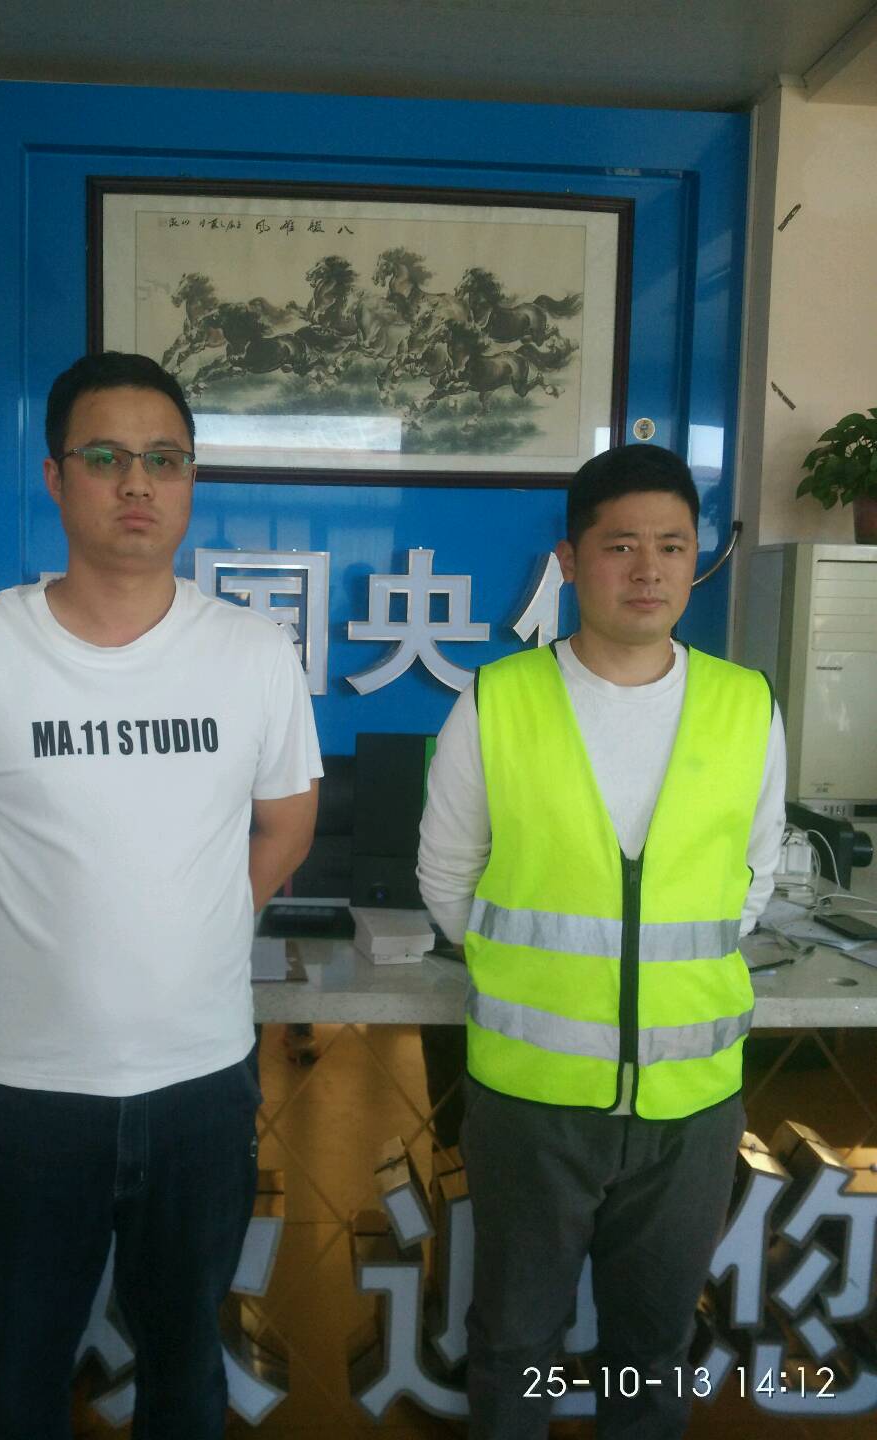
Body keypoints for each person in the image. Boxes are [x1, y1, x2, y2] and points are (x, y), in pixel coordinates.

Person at [0, 351, 322, 1440]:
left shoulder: (252, 653)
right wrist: (27, 940)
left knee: (186, 1371)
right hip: (22, 1088)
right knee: (17, 1377)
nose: (137, 482)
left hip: (200, 1083)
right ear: (56, 476)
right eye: (106, 457)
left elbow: (286, 823)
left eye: (165, 459)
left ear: (190, 480)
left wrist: (201, 926)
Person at [417, 444, 785, 1440]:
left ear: (696, 557)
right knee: (515, 1342)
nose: (649, 569)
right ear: (571, 560)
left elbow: (752, 882)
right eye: (621, 546)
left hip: (690, 1104)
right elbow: (447, 879)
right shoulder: (499, 699)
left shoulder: (745, 704)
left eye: (673, 545)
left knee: (650, 1349)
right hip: (532, 1102)